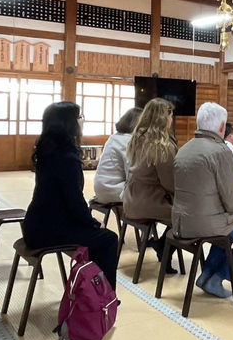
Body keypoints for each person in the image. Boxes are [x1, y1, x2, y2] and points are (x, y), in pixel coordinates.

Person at [24, 102, 119, 290]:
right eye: (80, 117)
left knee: (97, 238)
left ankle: (93, 294)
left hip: (35, 225)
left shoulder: (47, 151)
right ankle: (104, 297)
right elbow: (75, 202)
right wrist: (93, 223)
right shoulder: (66, 158)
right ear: (68, 123)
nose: (82, 121)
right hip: (49, 230)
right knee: (108, 239)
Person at [172, 102, 233, 299]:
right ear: (222, 127)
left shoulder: (184, 148)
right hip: (206, 223)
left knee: (226, 228)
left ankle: (206, 276)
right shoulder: (219, 151)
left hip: (181, 222)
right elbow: (231, 195)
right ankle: (217, 278)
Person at [123, 98, 179, 274]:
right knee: (187, 216)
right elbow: (170, 183)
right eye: (171, 115)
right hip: (150, 201)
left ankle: (161, 246)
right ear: (164, 117)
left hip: (131, 199)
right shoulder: (162, 146)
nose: (172, 119)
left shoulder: (137, 139)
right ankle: (164, 248)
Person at [93, 107, 143, 204]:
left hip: (101, 187)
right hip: (113, 188)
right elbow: (132, 172)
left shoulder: (114, 137)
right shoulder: (128, 141)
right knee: (149, 193)